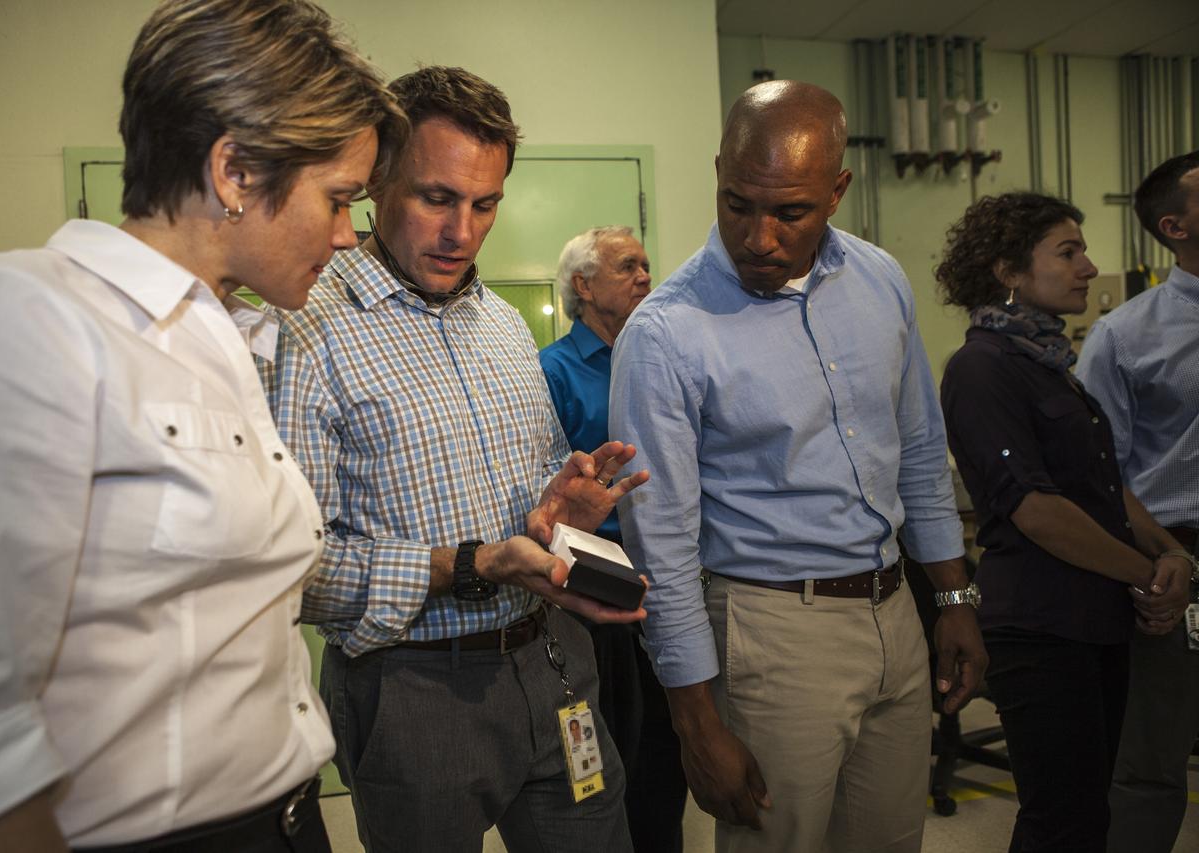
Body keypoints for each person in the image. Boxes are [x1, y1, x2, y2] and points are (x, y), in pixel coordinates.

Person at [0, 1, 405, 851]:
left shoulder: (238, 338)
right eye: (337, 201)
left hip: (289, 822)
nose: (346, 236)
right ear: (235, 172)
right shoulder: (24, 317)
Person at [260, 66, 647, 853]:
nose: (461, 232)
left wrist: (556, 514)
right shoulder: (305, 330)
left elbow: (532, 508)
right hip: (413, 689)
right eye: (437, 198)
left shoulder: (503, 324)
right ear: (375, 181)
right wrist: (470, 563)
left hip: (553, 660)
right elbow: (293, 569)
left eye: (485, 204)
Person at [608, 79, 987, 853]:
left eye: (791, 212)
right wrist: (696, 720)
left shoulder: (881, 281)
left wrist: (952, 593)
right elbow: (663, 544)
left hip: (895, 613)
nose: (759, 237)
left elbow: (917, 447)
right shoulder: (667, 332)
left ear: (837, 190)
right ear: (719, 171)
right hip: (771, 633)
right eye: (738, 202)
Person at [936, 191, 1193, 852]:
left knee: (1090, 815)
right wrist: (1146, 574)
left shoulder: (1051, 367)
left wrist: (1169, 552)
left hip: (1095, 620)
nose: (1088, 267)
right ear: (1008, 271)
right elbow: (1037, 509)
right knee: (1063, 821)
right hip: (1043, 628)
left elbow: (1103, 488)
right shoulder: (982, 368)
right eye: (1069, 251)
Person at [540, 227, 687, 853]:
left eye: (648, 265)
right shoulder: (552, 371)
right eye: (628, 266)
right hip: (594, 599)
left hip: (670, 584)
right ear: (584, 286)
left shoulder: (660, 356)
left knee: (667, 757)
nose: (644, 276)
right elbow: (543, 491)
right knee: (603, 763)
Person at [1076, 152, 1199, 853]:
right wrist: (1153, 560)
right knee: (1151, 763)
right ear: (1173, 225)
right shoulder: (1124, 334)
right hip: (1168, 557)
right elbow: (1100, 476)